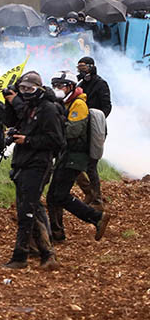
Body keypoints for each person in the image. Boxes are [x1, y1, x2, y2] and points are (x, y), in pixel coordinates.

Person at [2, 72, 62, 270]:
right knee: (29, 210)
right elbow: (11, 122)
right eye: (22, 89)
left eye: (30, 89)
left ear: (40, 89)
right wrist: (9, 102)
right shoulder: (28, 107)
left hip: (38, 163)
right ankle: (46, 254)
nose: (26, 93)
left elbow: (56, 141)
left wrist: (27, 140)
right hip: (23, 162)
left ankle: (22, 256)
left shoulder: (48, 109)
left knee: (27, 212)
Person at [45, 71, 112, 242]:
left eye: (61, 85)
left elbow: (73, 131)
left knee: (59, 195)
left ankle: (96, 217)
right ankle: (57, 234)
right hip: (66, 155)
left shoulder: (79, 105)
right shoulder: (64, 104)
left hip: (75, 156)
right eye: (55, 85)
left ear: (70, 87)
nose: (57, 89)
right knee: (53, 196)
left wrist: (52, 128)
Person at [76, 56, 111, 208]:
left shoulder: (101, 84)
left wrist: (96, 120)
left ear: (91, 67)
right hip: (81, 129)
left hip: (96, 129)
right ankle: (89, 191)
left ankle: (97, 200)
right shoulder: (80, 84)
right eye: (79, 68)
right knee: (73, 162)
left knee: (91, 165)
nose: (82, 71)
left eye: (84, 67)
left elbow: (107, 107)